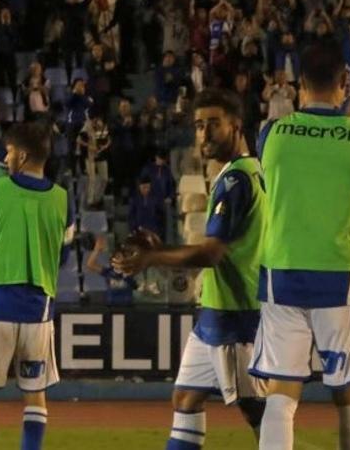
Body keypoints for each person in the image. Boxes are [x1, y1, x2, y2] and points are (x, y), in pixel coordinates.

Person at [114, 89, 268, 447]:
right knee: (186, 398)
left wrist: (152, 259)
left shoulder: (234, 181)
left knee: (257, 410)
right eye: (199, 126)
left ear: (236, 126)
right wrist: (162, 249)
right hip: (219, 312)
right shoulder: (247, 172)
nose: (204, 134)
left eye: (214, 124)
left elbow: (212, 254)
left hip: (235, 314)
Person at [249, 40, 350, 450]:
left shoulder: (270, 134)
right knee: (348, 390)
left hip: (283, 275)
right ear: (345, 82)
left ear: (299, 84)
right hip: (340, 277)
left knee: (281, 395)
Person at [0, 122, 70, 450]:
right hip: (39, 309)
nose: (6, 157)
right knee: (35, 394)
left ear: (21, 156)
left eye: (8, 151)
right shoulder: (64, 199)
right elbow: (61, 256)